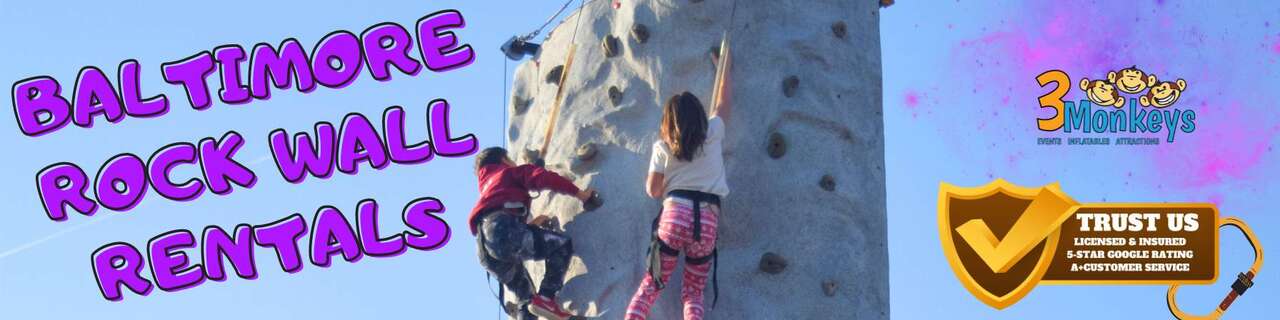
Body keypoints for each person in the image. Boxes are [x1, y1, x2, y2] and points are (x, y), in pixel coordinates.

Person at [625, 50, 733, 320]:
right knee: (693, 292)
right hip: (707, 219)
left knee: (651, 285)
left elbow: (653, 191)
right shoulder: (713, 132)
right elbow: (722, 104)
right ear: (699, 116)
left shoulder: (662, 147)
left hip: (675, 216)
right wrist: (725, 71)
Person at [469, 147, 598, 320]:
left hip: (486, 250)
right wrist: (581, 195)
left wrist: (531, 226)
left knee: (526, 299)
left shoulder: (488, 190)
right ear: (505, 160)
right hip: (503, 231)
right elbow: (544, 178)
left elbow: (502, 221)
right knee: (560, 245)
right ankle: (546, 297)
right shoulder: (508, 173)